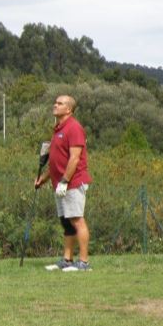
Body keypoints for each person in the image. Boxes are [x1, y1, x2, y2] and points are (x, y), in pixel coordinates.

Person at [35, 95, 93, 272]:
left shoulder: (74, 128)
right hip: (60, 183)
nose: (55, 105)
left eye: (59, 103)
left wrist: (65, 181)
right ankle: (67, 260)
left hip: (73, 182)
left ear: (68, 109)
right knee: (66, 222)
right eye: (56, 102)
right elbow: (55, 162)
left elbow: (74, 159)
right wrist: (42, 180)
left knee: (77, 219)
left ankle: (83, 263)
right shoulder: (58, 129)